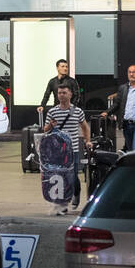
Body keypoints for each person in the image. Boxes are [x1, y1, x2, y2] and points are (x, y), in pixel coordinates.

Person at [42, 81, 90, 213]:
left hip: (73, 149)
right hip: (58, 152)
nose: (61, 95)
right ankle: (63, 204)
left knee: (72, 176)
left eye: (64, 93)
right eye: (59, 93)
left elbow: (85, 127)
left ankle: (76, 194)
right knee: (61, 177)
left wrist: (87, 141)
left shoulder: (77, 111)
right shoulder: (53, 112)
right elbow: (45, 130)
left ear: (70, 94)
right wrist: (51, 126)